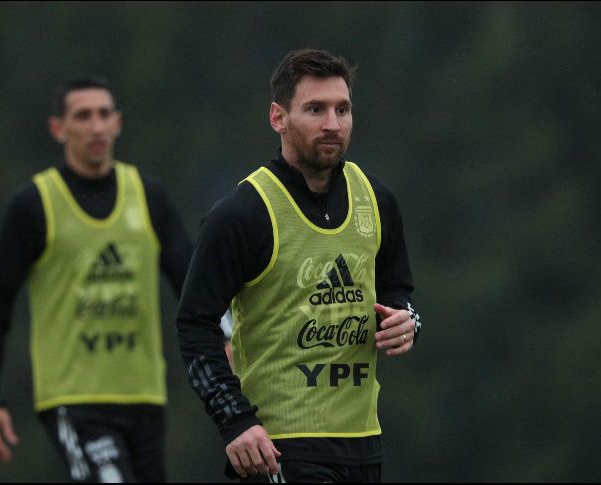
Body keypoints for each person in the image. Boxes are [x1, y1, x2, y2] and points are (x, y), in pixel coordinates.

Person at [176, 48, 422, 483]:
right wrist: (236, 421)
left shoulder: (377, 199)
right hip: (279, 447)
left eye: (342, 109)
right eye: (315, 109)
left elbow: (396, 290)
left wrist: (406, 322)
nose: (333, 124)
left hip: (364, 443)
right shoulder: (242, 213)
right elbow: (194, 325)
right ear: (278, 117)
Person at [0, 76, 231, 483]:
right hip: (74, 400)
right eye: (82, 116)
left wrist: (229, 336)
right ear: (59, 128)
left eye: (104, 114)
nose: (95, 126)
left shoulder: (148, 196)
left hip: (143, 395)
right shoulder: (34, 205)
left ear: (118, 123)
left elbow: (192, 282)